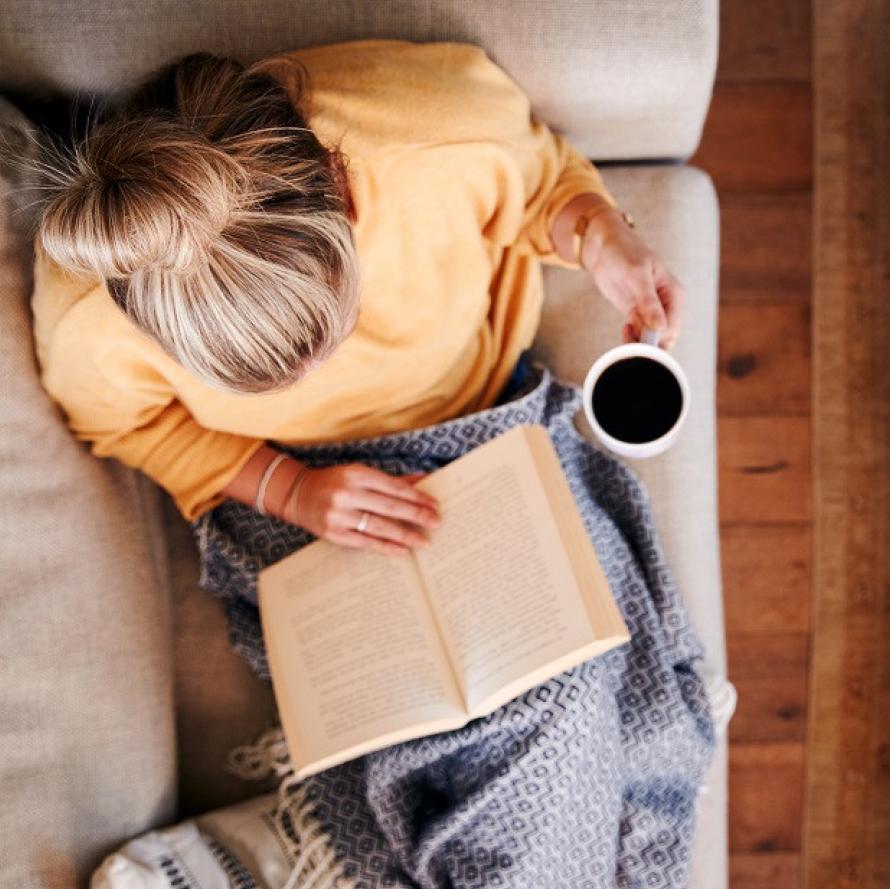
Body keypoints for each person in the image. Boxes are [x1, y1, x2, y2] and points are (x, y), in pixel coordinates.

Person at [32, 40, 685, 557]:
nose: (320, 376)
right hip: (290, 477)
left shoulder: (436, 131)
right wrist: (291, 490)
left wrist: (599, 234)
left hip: (483, 411)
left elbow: (542, 185)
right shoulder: (90, 311)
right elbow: (122, 425)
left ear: (340, 187)